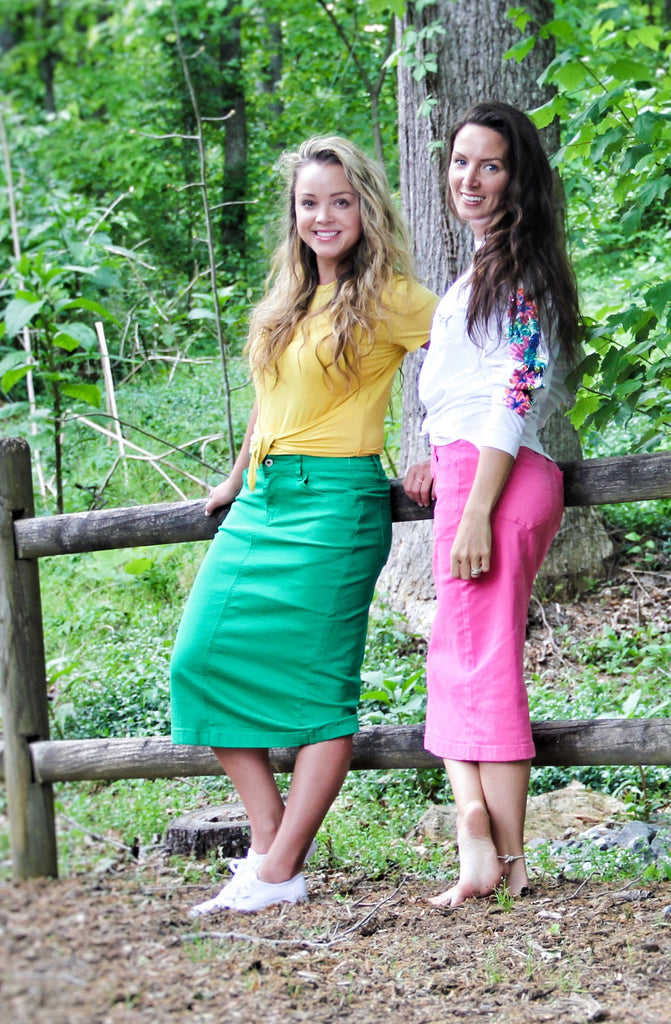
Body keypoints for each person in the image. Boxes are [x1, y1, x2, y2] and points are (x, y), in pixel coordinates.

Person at [171, 136, 437, 915]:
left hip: (337, 504)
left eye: (340, 201)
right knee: (200, 663)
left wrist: (438, 453)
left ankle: (278, 868)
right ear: (294, 213)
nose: (324, 216)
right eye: (310, 203)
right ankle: (270, 854)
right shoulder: (288, 297)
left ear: (366, 208)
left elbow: (475, 360)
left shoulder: (393, 296)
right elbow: (269, 395)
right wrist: (232, 475)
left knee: (323, 697)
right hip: (262, 502)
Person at [403, 101, 582, 908]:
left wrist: (476, 503)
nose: (469, 179)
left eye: (491, 165)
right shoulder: (480, 272)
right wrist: (434, 460)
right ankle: (482, 837)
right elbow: (466, 394)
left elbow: (513, 392)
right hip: (473, 472)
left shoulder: (521, 271)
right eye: (460, 162)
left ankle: (502, 857)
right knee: (461, 656)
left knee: (480, 661)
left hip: (497, 482)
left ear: (520, 180)